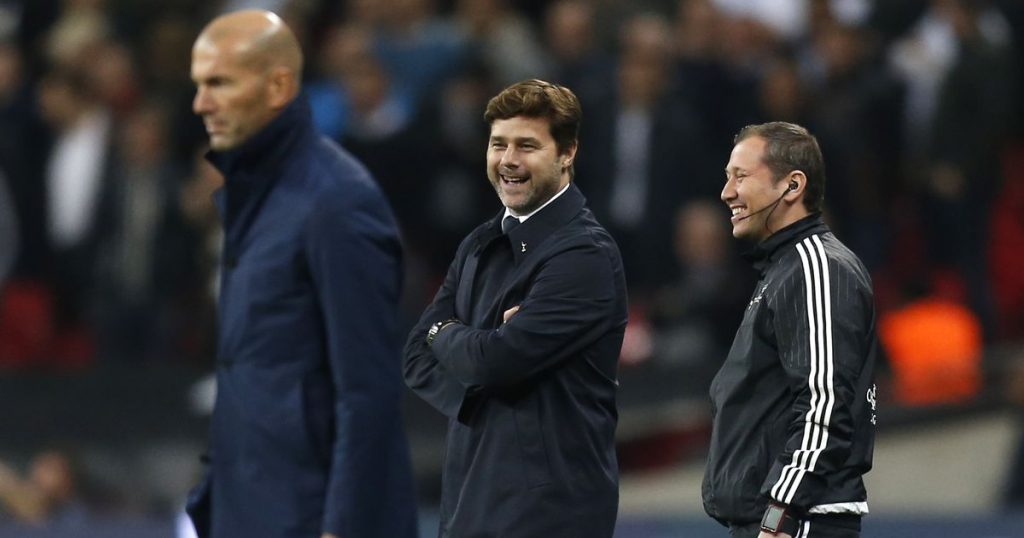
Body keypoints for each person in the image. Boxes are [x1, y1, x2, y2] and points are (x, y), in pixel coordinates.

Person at [185, 10, 417, 538]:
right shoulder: (255, 198)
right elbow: (254, 372)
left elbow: (368, 389)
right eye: (199, 85)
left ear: (278, 86)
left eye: (220, 83)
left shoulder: (336, 202)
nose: (201, 104)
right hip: (252, 511)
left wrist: (343, 525)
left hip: (310, 518)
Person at [403, 79, 628, 537]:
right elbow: (415, 356)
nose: (508, 160)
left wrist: (453, 339)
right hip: (468, 502)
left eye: (527, 145)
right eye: (498, 144)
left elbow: (494, 361)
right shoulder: (479, 242)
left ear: (567, 153)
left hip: (550, 514)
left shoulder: (584, 255)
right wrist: (477, 379)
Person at [702, 122, 878, 538]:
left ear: (792, 185)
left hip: (797, 521)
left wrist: (780, 512)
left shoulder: (817, 267)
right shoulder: (783, 269)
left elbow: (825, 401)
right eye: (728, 177)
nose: (727, 192)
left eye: (741, 176)